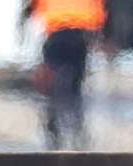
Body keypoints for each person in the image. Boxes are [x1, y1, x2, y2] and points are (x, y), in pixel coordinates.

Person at [26, 0, 103, 148]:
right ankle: (77, 129)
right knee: (76, 86)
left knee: (53, 85)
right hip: (79, 37)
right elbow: (101, 10)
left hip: (56, 35)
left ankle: (54, 129)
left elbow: (32, 9)